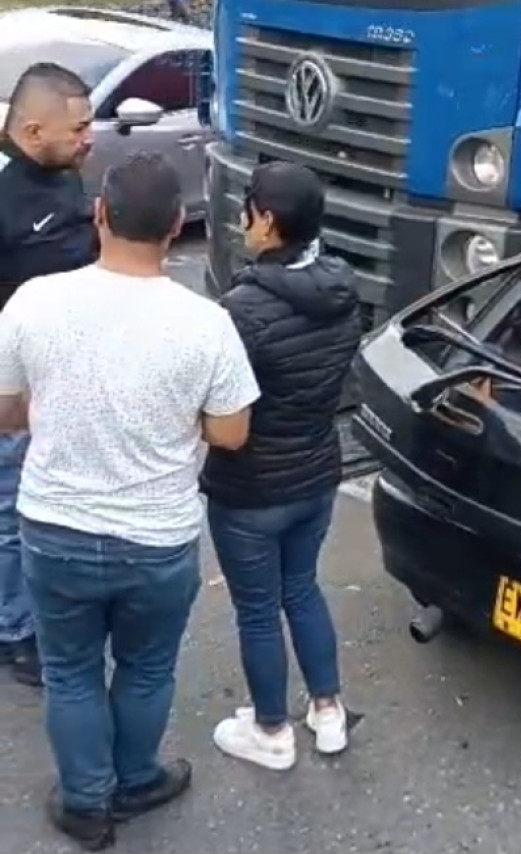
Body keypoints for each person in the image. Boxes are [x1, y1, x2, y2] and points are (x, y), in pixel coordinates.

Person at [0, 151, 260, 851]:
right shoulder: (206, 324)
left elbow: (6, 412)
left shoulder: (34, 302)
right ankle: (137, 778)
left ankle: (86, 804)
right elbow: (232, 433)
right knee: (146, 667)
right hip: (157, 537)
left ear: (100, 215)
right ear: (178, 225)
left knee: (70, 669)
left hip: (54, 527)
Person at [201, 161, 361, 771]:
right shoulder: (343, 290)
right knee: (302, 589)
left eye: (247, 210)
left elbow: (217, 406)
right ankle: (328, 712)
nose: (242, 221)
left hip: (251, 489)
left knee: (259, 610)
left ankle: (271, 730)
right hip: (317, 473)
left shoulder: (240, 310)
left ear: (267, 221)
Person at [0, 62, 98, 688]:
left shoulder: (63, 172)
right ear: (34, 131)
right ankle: (16, 632)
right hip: (18, 389)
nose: (91, 136)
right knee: (14, 513)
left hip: (67, 379)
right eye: (80, 127)